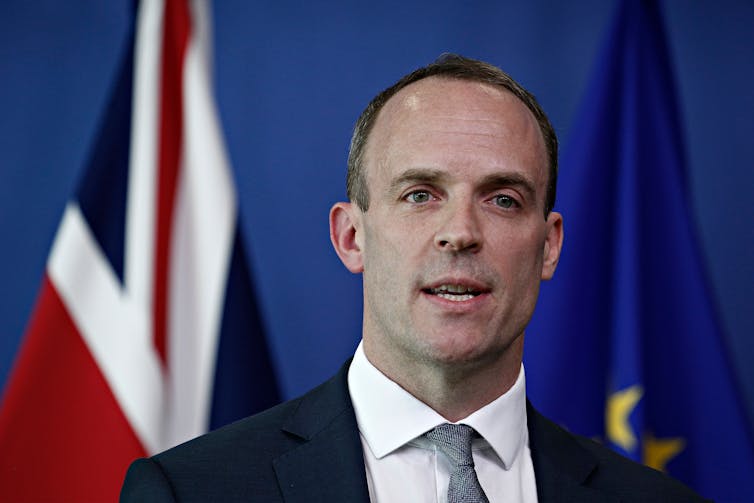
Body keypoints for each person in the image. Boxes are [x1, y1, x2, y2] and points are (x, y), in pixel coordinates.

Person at [121, 54, 706, 502]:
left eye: (502, 199)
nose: (460, 232)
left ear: (549, 246)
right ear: (352, 237)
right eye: (421, 194)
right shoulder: (190, 492)